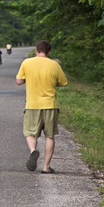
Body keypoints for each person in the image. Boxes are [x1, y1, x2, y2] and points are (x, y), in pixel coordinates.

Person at [15, 39, 67, 174]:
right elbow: (63, 83)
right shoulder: (54, 65)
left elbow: (19, 81)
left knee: (30, 132)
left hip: (32, 105)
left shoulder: (27, 63)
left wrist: (29, 78)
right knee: (50, 136)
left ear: (36, 51)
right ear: (49, 52)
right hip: (50, 105)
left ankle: (33, 151)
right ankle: (46, 167)